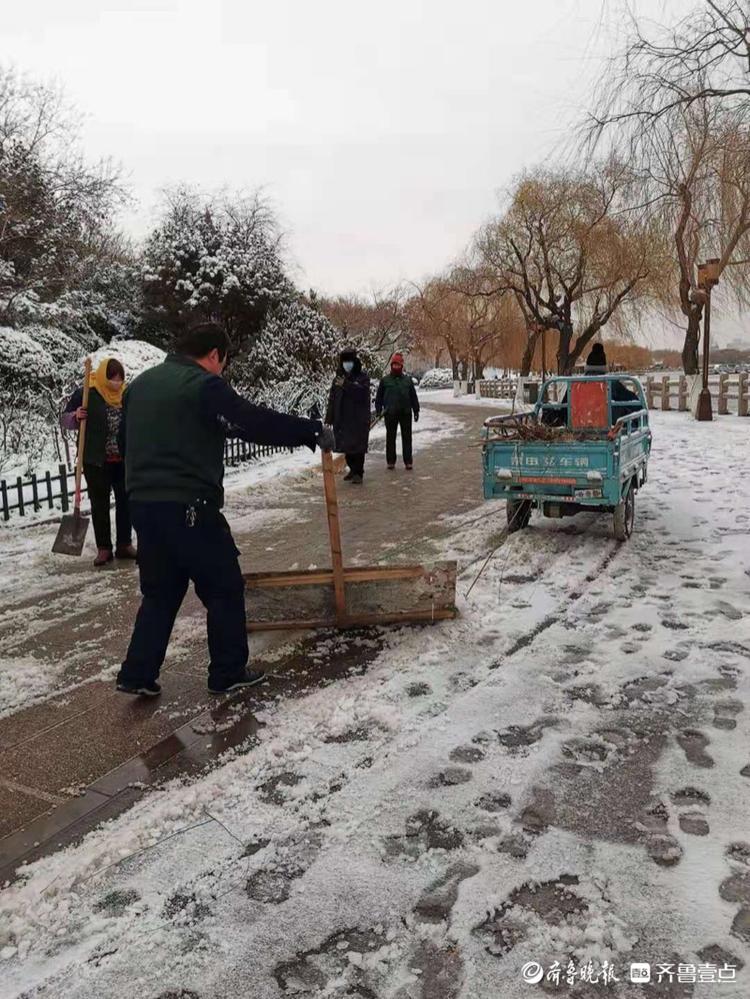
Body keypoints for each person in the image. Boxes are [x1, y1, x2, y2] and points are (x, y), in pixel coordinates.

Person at [115, 323, 334, 698]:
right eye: (224, 362)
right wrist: (309, 430)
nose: (222, 370)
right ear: (214, 354)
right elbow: (250, 421)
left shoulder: (140, 384)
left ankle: (137, 673)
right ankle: (228, 671)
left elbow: (123, 440)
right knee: (224, 586)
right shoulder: (203, 385)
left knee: (161, 592)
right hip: (191, 506)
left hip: (144, 506)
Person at [62, 358, 136, 567]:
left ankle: (124, 544)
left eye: (119, 380)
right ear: (104, 377)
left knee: (125, 502)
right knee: (99, 504)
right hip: (96, 460)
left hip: (122, 459)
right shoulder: (88, 392)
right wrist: (75, 416)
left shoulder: (126, 394)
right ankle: (104, 548)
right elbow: (65, 419)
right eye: (112, 380)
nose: (116, 384)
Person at [325, 347, 371, 484]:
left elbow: (362, 394)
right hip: (343, 419)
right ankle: (352, 469)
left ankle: (359, 472)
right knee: (347, 447)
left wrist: (347, 385)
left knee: (358, 447)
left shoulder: (362, 377)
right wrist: (330, 417)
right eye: (344, 362)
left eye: (349, 361)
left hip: (358, 418)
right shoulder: (337, 379)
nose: (347, 365)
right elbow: (332, 399)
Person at [375, 352, 420, 470]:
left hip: (405, 413)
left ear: (401, 366)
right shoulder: (385, 381)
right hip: (390, 413)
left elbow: (413, 396)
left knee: (407, 438)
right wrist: (378, 410)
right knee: (390, 438)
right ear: (391, 366)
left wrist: (416, 410)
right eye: (394, 365)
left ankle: (408, 461)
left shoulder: (407, 380)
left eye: (398, 365)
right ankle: (390, 461)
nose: (396, 367)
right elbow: (379, 397)